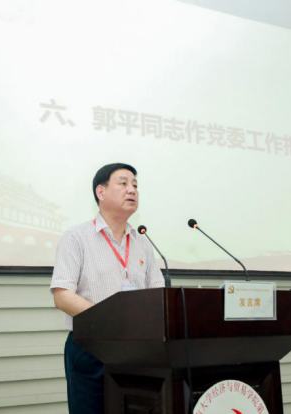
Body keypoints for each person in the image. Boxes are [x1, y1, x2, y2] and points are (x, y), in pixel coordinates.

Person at [50, 163, 166, 414]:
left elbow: (158, 296)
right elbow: (62, 295)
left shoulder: (142, 242)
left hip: (138, 350)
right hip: (91, 348)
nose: (132, 190)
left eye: (135, 185)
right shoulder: (76, 237)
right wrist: (107, 320)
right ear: (100, 192)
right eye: (123, 183)